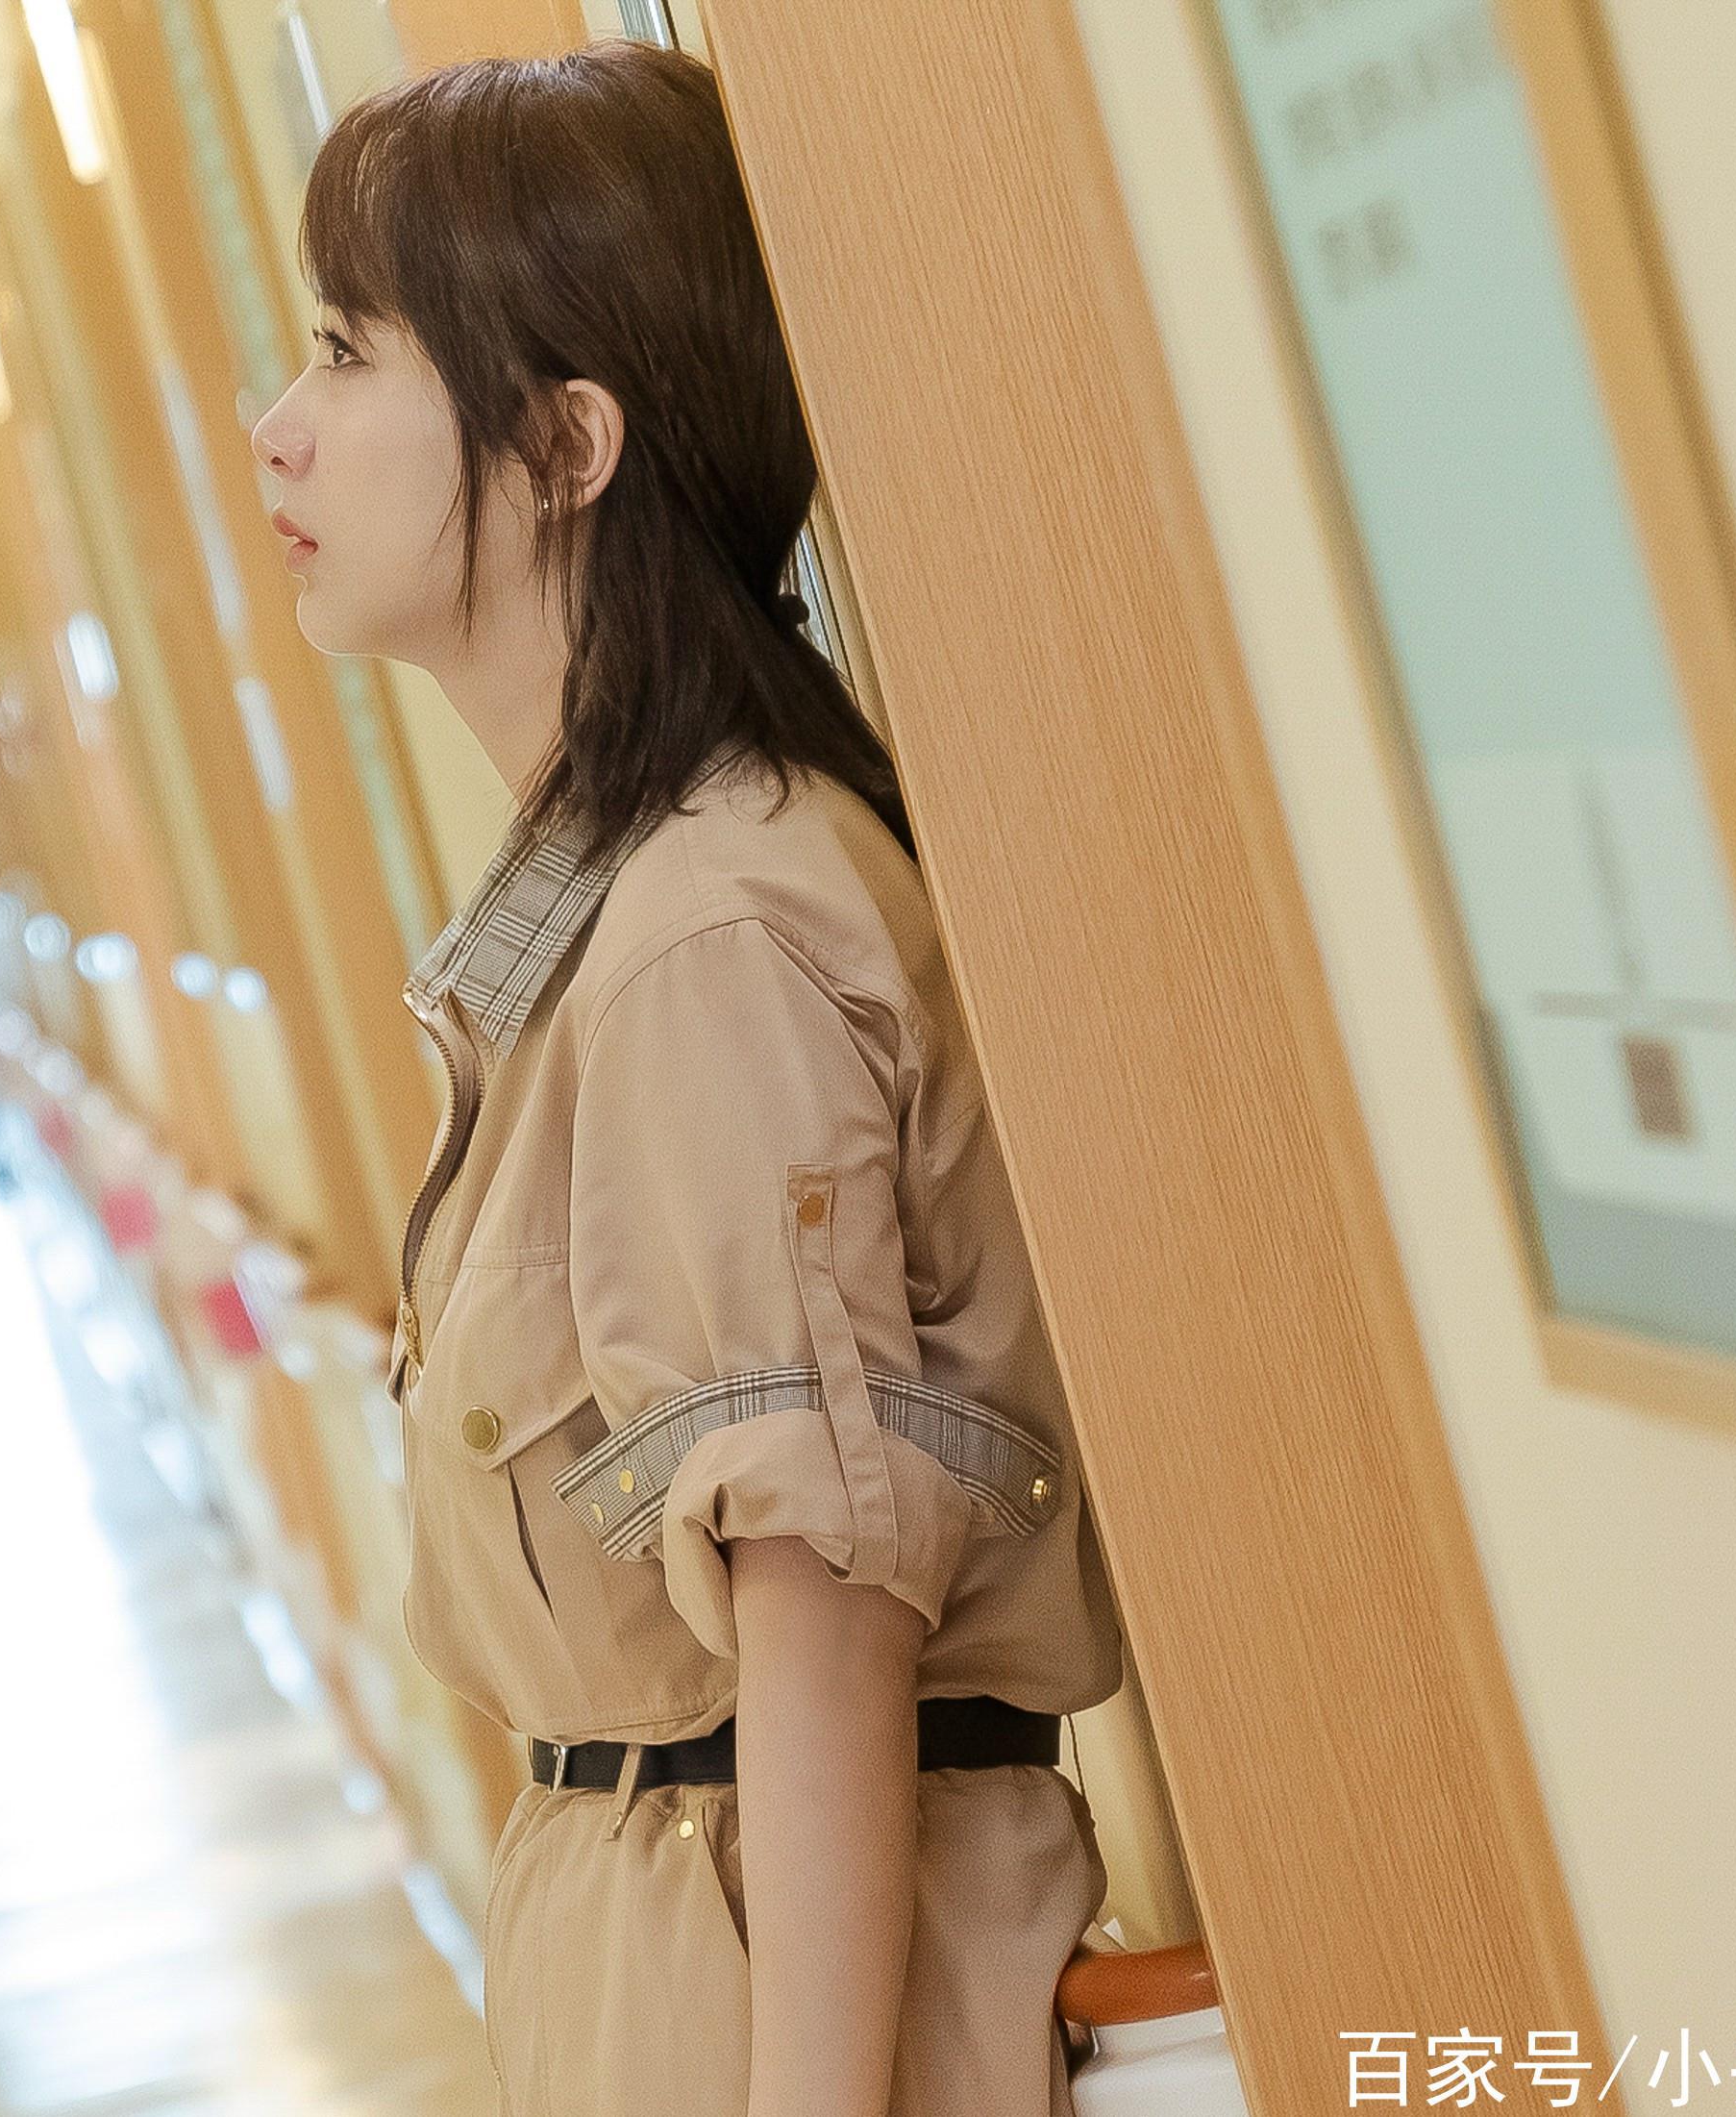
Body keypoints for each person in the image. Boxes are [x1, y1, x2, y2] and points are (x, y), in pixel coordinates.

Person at [249, 45, 1124, 2117]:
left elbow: (819, 1632)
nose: (278, 424)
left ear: (565, 443)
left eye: (349, 352)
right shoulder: (609, 909)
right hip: (654, 1929)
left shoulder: (705, 932)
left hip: (762, 1965)